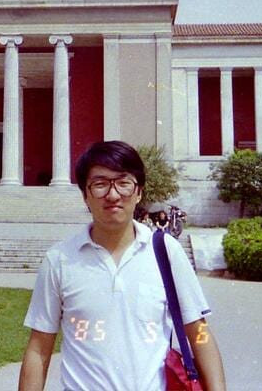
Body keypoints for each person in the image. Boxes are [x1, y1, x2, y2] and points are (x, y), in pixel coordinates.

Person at [19, 140, 225, 391]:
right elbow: (39, 348)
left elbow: (199, 333)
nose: (113, 195)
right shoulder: (60, 260)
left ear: (139, 192)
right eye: (100, 184)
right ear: (85, 195)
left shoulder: (166, 252)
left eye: (124, 183)